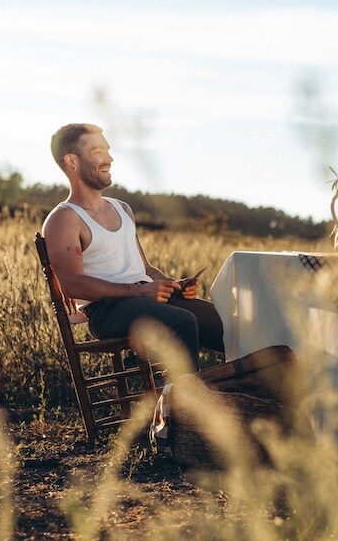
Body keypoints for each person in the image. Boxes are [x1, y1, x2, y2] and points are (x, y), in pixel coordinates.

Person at [41, 123, 223, 370]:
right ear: (72, 161)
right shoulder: (64, 219)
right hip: (107, 312)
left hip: (144, 299)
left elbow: (144, 269)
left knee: (223, 323)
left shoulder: (122, 208)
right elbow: (72, 285)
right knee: (182, 321)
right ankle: (186, 403)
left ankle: (243, 393)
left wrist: (173, 285)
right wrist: (137, 292)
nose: (109, 158)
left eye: (107, 150)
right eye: (97, 151)